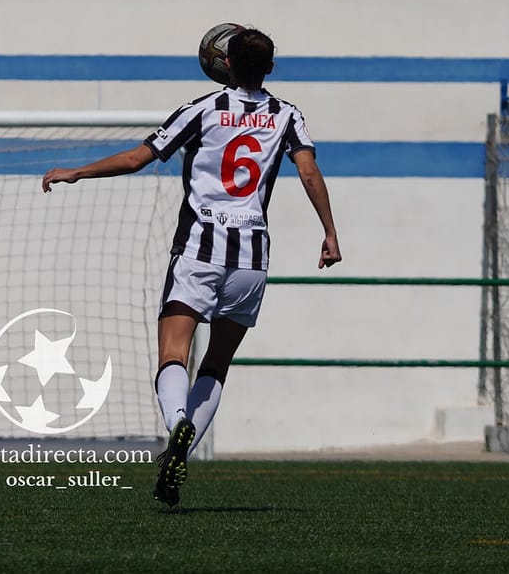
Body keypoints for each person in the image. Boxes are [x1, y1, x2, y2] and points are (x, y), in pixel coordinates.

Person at [42, 27, 341, 508]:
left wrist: (78, 171)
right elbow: (308, 171)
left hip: (200, 249)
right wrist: (329, 233)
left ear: (224, 64)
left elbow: (140, 157)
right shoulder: (288, 115)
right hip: (251, 255)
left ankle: (178, 421)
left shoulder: (200, 109)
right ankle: (177, 458)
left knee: (173, 353)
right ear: (269, 68)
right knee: (217, 363)